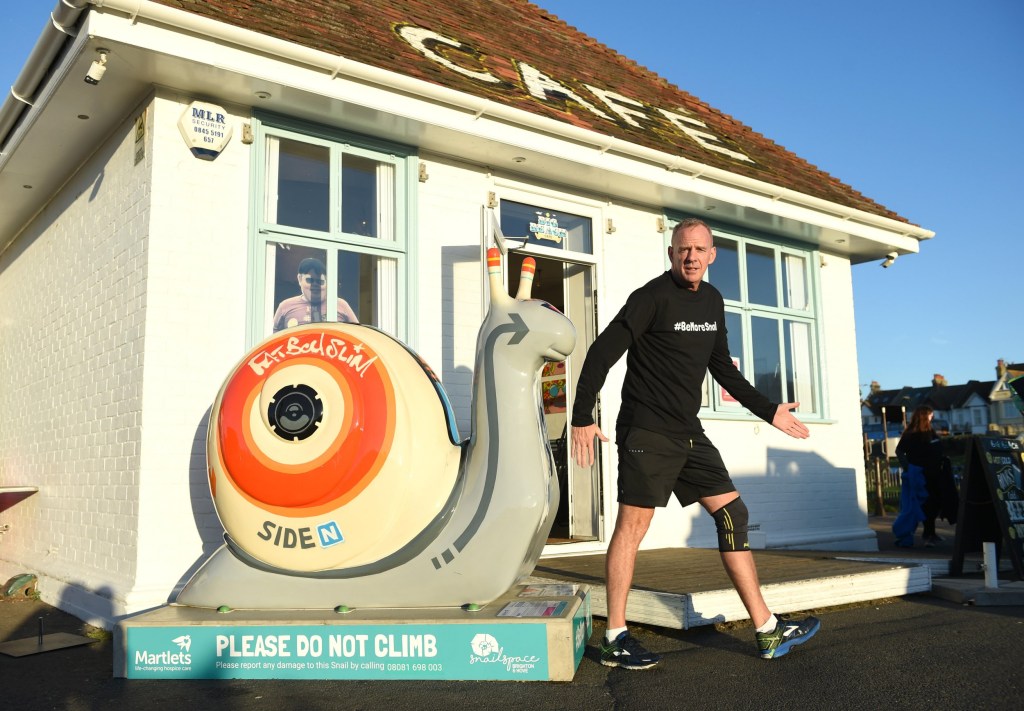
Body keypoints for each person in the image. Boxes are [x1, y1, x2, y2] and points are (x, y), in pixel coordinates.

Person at [570, 218, 820, 669]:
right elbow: (601, 352)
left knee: (732, 513)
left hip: (688, 431)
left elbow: (723, 367)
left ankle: (766, 628)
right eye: (683, 249)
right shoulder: (650, 298)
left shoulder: (713, 301)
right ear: (671, 254)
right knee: (633, 527)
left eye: (699, 249)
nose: (690, 257)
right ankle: (614, 637)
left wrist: (769, 410)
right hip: (646, 429)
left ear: (712, 254)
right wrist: (582, 416)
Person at [893, 406, 949, 547]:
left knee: (933, 504)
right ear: (925, 416)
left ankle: (931, 533)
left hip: (933, 473)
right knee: (925, 505)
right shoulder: (911, 434)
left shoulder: (929, 431)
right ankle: (927, 535)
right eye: (931, 415)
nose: (932, 417)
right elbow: (899, 451)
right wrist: (908, 468)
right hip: (921, 474)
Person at [273, 257, 358, 332]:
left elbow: (358, 333)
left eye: (320, 282)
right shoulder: (285, 306)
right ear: (300, 279)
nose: (315, 285)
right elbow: (273, 340)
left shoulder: (340, 305)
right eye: (310, 280)